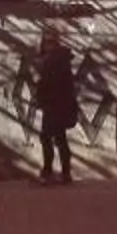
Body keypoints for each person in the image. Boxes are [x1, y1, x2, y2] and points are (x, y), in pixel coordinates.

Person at [34, 30, 80, 184]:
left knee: (47, 138)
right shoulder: (61, 60)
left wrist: (42, 98)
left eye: (49, 42)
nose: (46, 45)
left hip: (53, 106)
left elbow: (49, 84)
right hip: (59, 106)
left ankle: (48, 172)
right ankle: (64, 173)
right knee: (60, 138)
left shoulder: (53, 61)